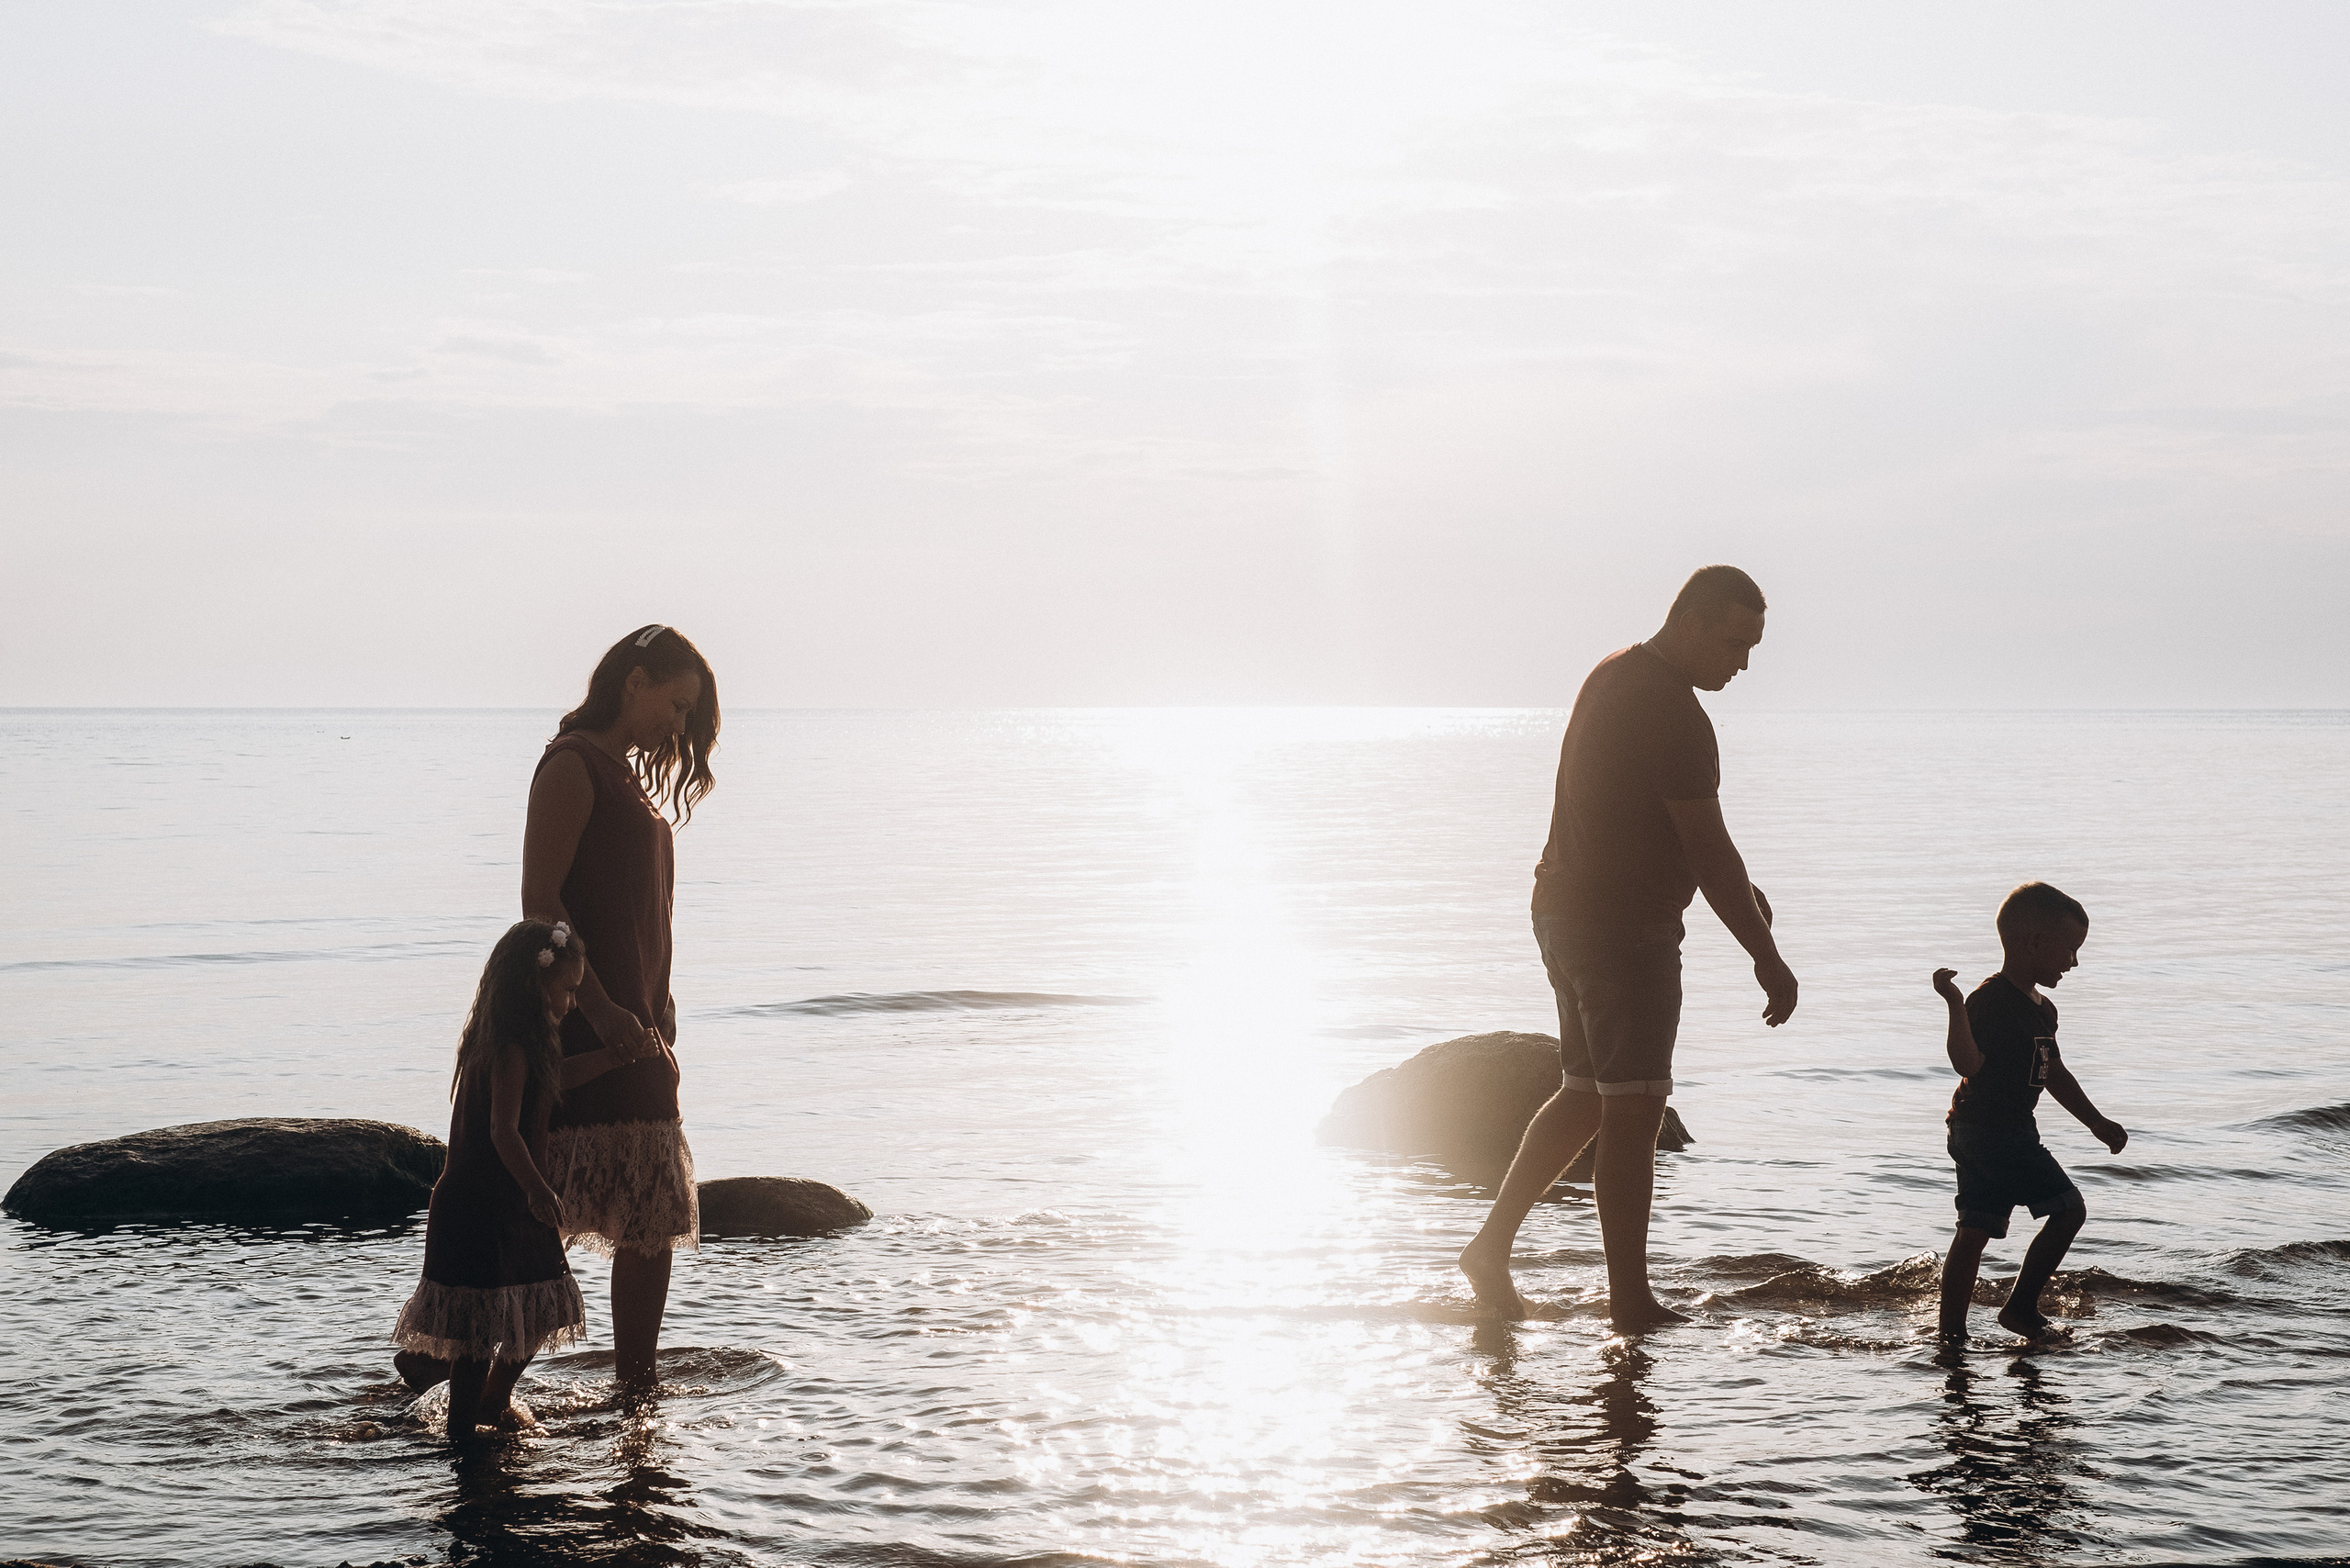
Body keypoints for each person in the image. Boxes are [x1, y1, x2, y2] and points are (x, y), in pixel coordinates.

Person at [1459, 566, 1798, 1328]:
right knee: (1637, 1110)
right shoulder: (1673, 713)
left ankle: (1490, 1247)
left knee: (1585, 1092)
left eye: (1753, 647)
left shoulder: (1613, 672)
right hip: (1622, 934)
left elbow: (1636, 819)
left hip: (1563, 909)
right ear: (1691, 622)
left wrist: (1743, 903)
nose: (1742, 664)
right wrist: (1766, 957)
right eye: (1735, 643)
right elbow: (1708, 850)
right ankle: (1630, 1301)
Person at [524, 623, 720, 1385]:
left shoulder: (627, 778)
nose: (677, 726)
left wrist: (659, 1005)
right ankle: (456, 1360)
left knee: (647, 1212)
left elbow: (640, 910)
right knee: (562, 1208)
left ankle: (633, 1389)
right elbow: (541, 903)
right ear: (632, 682)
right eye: (673, 706)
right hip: (582, 1020)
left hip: (639, 1025)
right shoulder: (572, 768)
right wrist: (601, 1009)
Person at [389, 920, 654, 1438]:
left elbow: (557, 1080)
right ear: (536, 982)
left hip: (508, 1200)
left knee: (541, 1307)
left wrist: (613, 1056)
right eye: (570, 989)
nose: (574, 1002)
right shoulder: (508, 1047)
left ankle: (492, 1401)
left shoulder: (530, 1044)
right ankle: (464, 1431)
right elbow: (503, 1131)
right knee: (478, 1331)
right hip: (485, 1202)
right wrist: (537, 1186)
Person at [1933, 881, 2127, 1343]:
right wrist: (1955, 1005)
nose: (2075, 961)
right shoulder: (1990, 1000)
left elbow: (2053, 1071)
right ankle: (2020, 1310)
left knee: (1975, 1229)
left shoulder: (2044, 1010)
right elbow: (1968, 1064)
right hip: (1993, 1133)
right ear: (2035, 942)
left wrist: (2096, 1121)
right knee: (2068, 1210)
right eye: (2071, 949)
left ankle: (1951, 1337)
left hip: (1988, 1131)